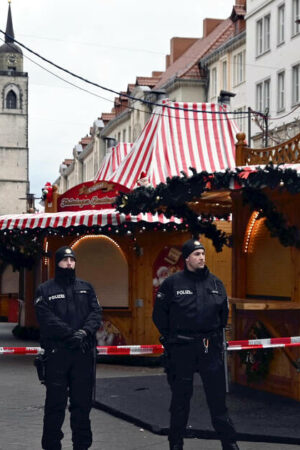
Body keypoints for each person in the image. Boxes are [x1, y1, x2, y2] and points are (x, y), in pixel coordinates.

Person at [153, 239, 239, 450]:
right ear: (187, 258)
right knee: (180, 401)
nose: (201, 257)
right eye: (197, 254)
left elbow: (223, 315)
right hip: (181, 348)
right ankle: (176, 444)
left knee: (217, 401)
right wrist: (171, 339)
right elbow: (159, 316)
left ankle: (230, 444)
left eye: (203, 254)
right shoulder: (172, 283)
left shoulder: (216, 283)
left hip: (209, 348)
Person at [34, 246, 102, 450]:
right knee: (55, 406)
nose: (69, 264)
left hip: (82, 354)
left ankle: (82, 445)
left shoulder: (86, 287)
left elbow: (96, 313)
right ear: (58, 263)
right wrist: (70, 333)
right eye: (65, 260)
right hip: (57, 355)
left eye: (72, 260)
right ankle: (51, 445)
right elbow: (46, 318)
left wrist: (84, 332)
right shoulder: (44, 290)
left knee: (82, 405)